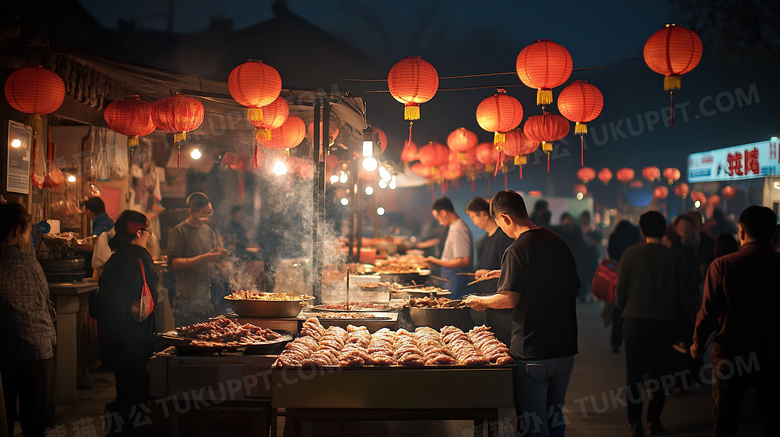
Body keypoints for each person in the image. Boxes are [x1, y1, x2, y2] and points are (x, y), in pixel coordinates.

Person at [464, 190, 579, 437]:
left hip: (533, 351)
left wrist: (480, 301)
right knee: (555, 418)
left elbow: (508, 299)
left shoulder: (516, 250)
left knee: (533, 425)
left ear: (505, 218)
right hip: (565, 349)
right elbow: (574, 287)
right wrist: (504, 273)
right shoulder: (558, 241)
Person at [691, 205, 780, 437]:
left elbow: (708, 312)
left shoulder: (722, 265)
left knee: (725, 424)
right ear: (773, 233)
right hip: (772, 355)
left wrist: (697, 344)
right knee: (772, 421)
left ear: (741, 232)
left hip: (730, 355)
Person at [615, 211, 689, 436]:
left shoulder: (630, 254)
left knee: (634, 374)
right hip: (663, 322)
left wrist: (623, 305)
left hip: (635, 321)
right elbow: (682, 295)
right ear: (665, 230)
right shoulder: (674, 257)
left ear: (641, 230)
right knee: (658, 374)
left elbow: (620, 294)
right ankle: (654, 422)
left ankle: (634, 422)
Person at [95, 210, 158, 433]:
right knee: (137, 395)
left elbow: (99, 304)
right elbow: (152, 299)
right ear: (139, 232)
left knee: (124, 390)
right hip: (135, 341)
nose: (149, 237)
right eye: (148, 231)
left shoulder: (113, 260)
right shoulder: (141, 257)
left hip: (113, 340)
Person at [0, 202, 56, 437]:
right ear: (16, 230)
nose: (26, 238)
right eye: (27, 231)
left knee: (4, 417)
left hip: (5, 350)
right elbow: (44, 300)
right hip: (36, 349)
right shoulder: (27, 263)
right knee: (37, 419)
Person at [166, 193, 228, 327]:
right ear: (190, 211)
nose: (206, 217)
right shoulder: (179, 231)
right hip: (186, 300)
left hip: (205, 299)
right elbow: (175, 263)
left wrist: (220, 255)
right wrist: (204, 257)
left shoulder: (208, 230)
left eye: (208, 213)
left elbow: (212, 257)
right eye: (201, 213)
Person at [465, 197, 514, 345]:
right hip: (487, 299)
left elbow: (510, 270)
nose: (473, 221)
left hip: (500, 301)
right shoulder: (485, 239)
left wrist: (491, 272)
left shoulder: (503, 237)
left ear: (484, 214)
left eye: (473, 217)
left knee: (501, 344)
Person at [604, 220, 642, 353]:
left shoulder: (614, 237)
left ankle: (615, 342)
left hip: (617, 273)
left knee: (617, 309)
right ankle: (634, 343)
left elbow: (610, 253)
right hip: (634, 274)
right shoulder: (634, 237)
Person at [425, 197, 473, 298]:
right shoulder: (453, 226)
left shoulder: (458, 229)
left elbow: (464, 261)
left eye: (438, 217)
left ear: (443, 212)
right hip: (450, 277)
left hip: (456, 279)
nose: (439, 222)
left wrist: (435, 261)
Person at [579, 210, 601, 302]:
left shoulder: (593, 229)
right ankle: (584, 295)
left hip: (591, 256)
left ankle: (592, 295)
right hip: (584, 257)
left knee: (592, 276)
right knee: (583, 276)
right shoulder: (580, 230)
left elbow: (596, 241)